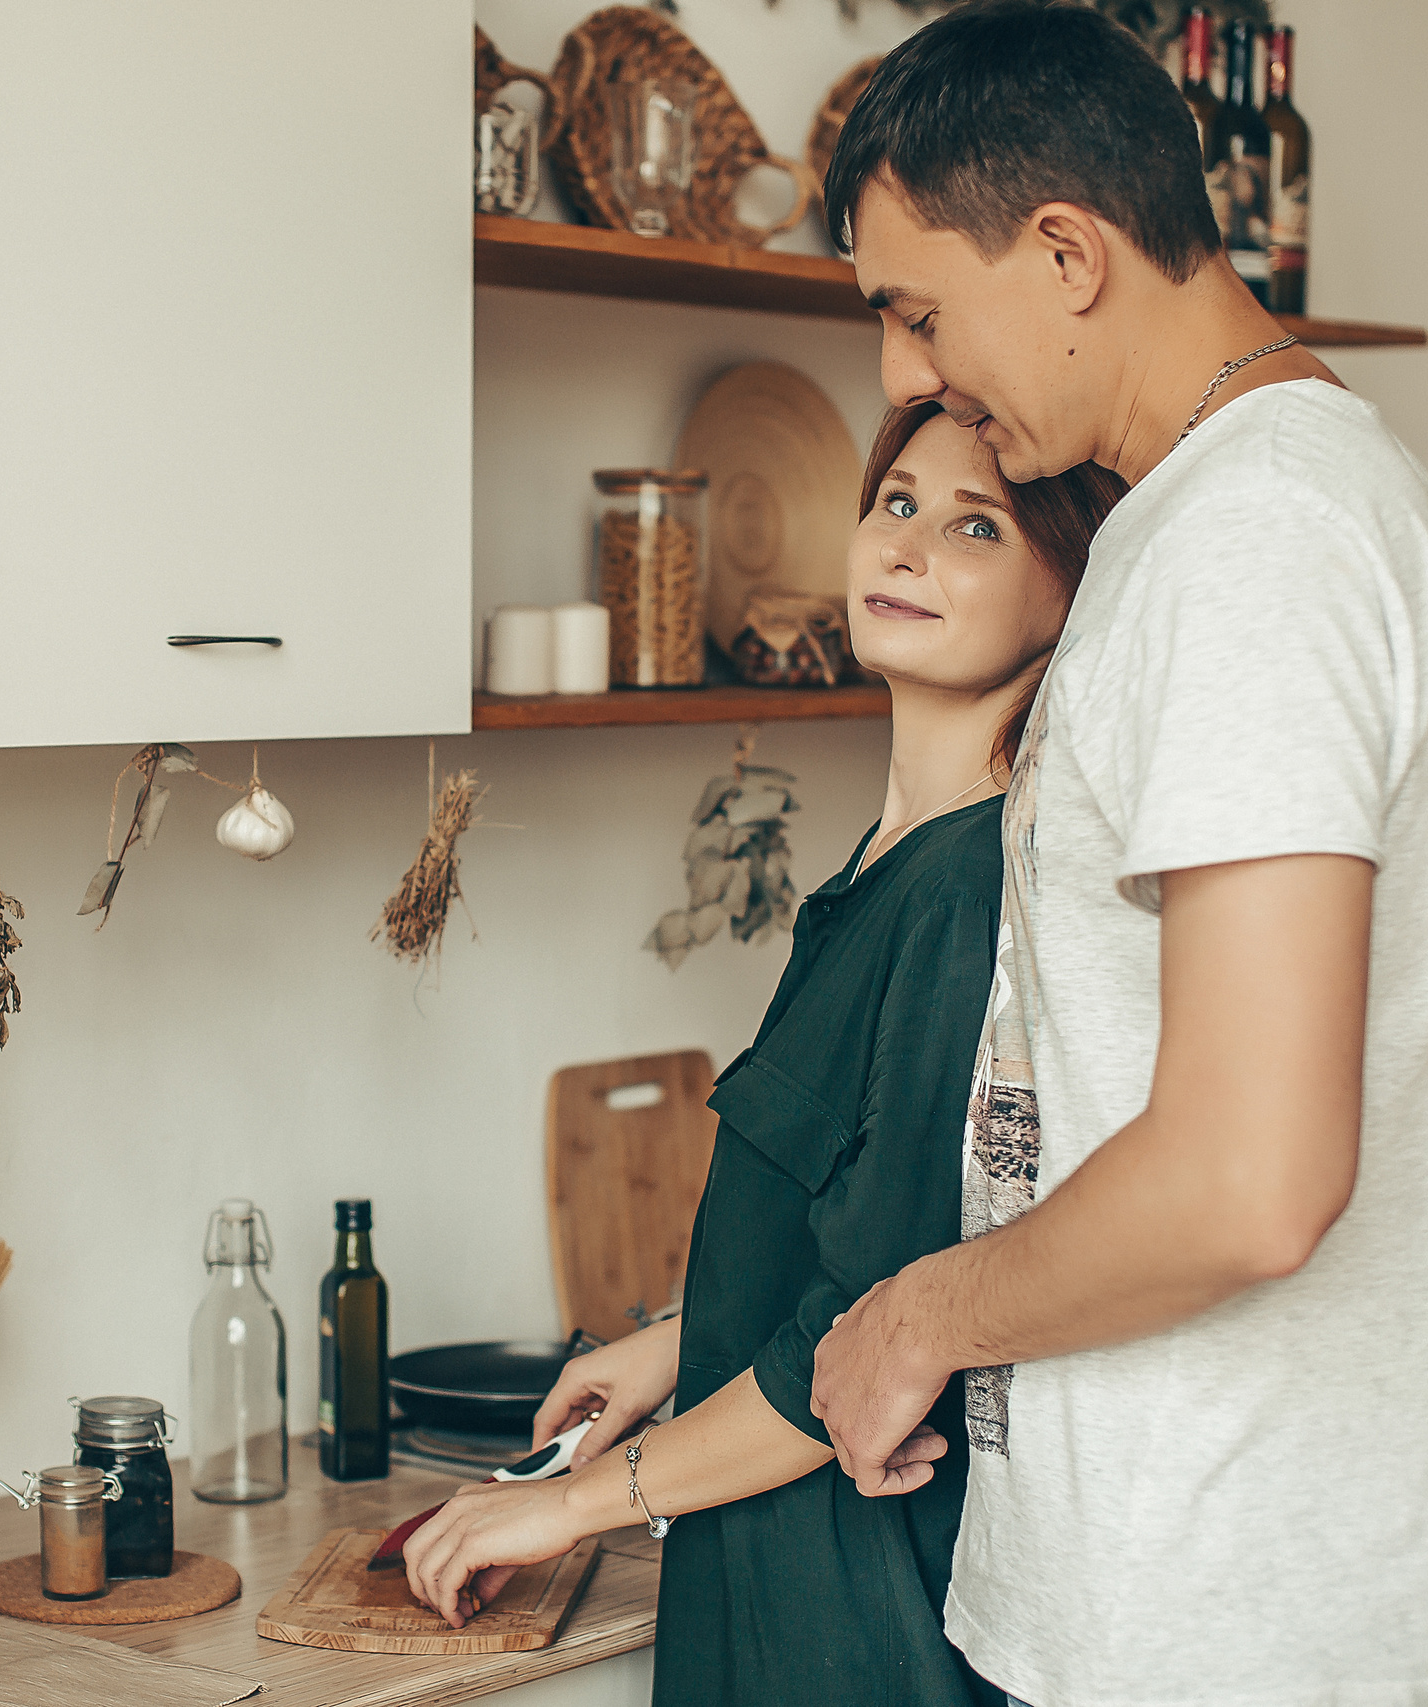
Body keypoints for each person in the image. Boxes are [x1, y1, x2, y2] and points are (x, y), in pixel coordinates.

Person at [807, 7, 1428, 1707]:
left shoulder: (1256, 546)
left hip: (1226, 1632)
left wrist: (913, 1322)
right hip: (1215, 1601)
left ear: (1065, 252)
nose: (907, 379)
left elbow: (1247, 1176)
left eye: (915, 311)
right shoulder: (1228, 519)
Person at [400, 402, 1124, 1707]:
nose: (906, 549)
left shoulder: (970, 898)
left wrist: (569, 1510)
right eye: (895, 504)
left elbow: (860, 1328)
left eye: (975, 526)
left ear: (1070, 595)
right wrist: (670, 1347)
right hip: (767, 1574)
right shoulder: (881, 865)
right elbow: (847, 1225)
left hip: (859, 1615)